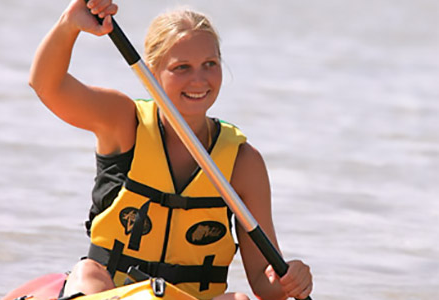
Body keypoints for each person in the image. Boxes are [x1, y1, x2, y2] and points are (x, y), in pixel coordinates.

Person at [29, 0, 313, 299]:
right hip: (114, 292)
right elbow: (46, 84)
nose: (199, 79)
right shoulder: (123, 122)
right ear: (151, 73)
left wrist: (291, 278)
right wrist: (69, 25)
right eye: (182, 68)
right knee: (88, 272)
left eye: (210, 64)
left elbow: (262, 281)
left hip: (189, 297)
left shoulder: (243, 163)